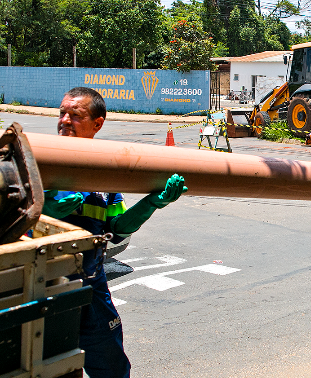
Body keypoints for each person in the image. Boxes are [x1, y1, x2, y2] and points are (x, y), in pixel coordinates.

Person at [42, 87, 187, 378]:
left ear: (98, 123)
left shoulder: (104, 172)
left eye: (75, 116)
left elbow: (117, 230)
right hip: (45, 290)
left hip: (91, 290)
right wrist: (44, 210)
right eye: (62, 114)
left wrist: (152, 203)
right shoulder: (42, 162)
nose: (65, 121)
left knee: (112, 370)